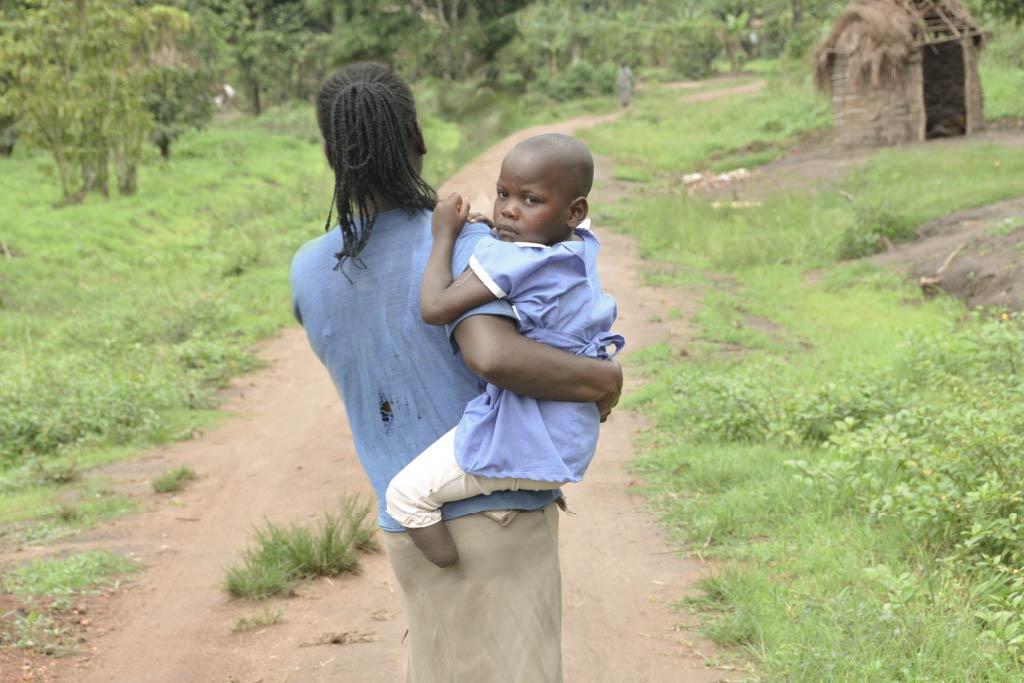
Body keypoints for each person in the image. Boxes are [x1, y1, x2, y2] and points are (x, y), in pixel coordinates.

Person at [289, 62, 623, 682]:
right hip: (495, 518)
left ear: (332, 154)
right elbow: (493, 356)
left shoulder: (309, 269)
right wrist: (605, 380)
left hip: (405, 527)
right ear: (417, 136)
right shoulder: (472, 244)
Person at [386, 134, 623, 567]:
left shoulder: (512, 260)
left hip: (525, 442)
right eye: (502, 194)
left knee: (405, 496)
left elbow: (434, 307)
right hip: (570, 438)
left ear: (574, 211)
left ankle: (453, 571)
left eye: (531, 200)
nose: (509, 210)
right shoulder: (577, 247)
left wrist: (444, 236)